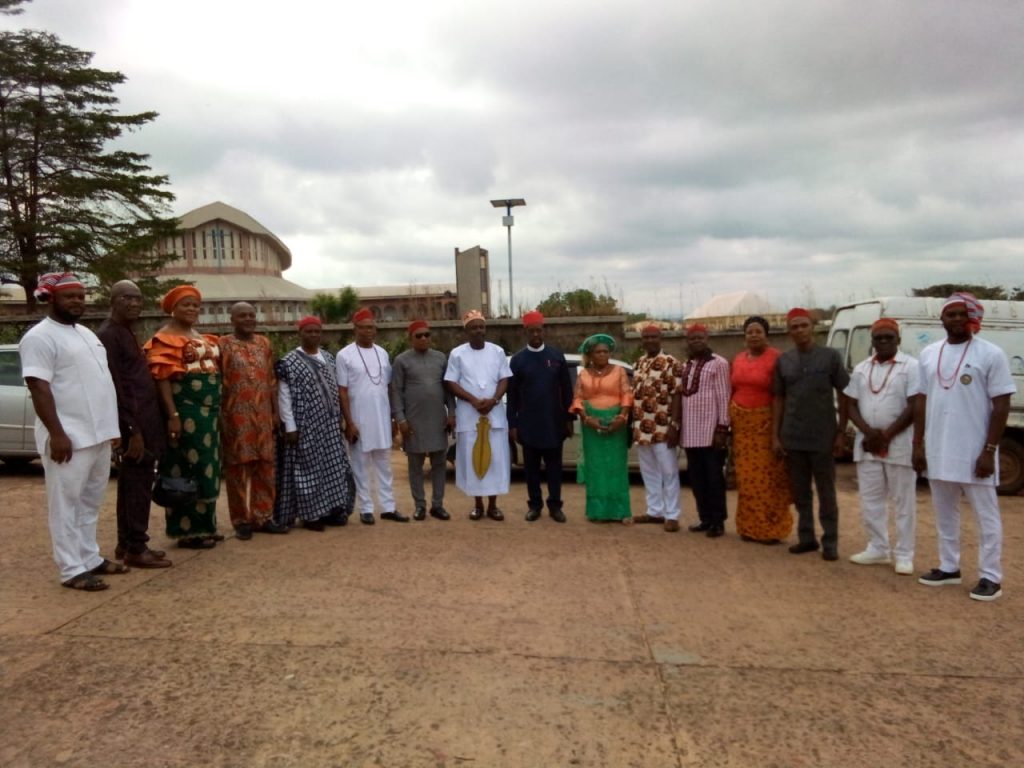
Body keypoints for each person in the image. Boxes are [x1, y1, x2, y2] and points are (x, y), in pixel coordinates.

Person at [21, 272, 125, 590]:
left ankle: (89, 557)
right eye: (69, 296)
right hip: (69, 437)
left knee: (90, 501)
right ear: (51, 298)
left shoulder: (85, 333)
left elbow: (99, 384)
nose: (77, 301)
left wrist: (112, 428)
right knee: (65, 504)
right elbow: (38, 386)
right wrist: (57, 433)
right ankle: (71, 569)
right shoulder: (40, 337)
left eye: (81, 296)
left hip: (99, 434)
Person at [913, 292, 1016, 601]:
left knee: (986, 515)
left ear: (972, 318)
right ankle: (948, 566)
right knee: (944, 512)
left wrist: (989, 451)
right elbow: (920, 400)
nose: (956, 319)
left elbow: (1001, 405)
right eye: (950, 314)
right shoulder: (929, 353)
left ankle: (990, 576)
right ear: (942, 319)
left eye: (961, 314)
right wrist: (917, 444)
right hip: (938, 448)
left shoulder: (991, 353)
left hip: (975, 451)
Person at [96, 280, 171, 568]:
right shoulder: (108, 336)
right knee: (137, 486)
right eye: (127, 298)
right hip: (134, 426)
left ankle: (125, 543)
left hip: (146, 420)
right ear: (112, 301)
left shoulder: (127, 332)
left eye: (138, 299)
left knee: (133, 485)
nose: (135, 303)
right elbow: (115, 386)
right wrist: (132, 431)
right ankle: (137, 548)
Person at [144, 285, 223, 550]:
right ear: (173, 308)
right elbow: (162, 378)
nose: (192, 309)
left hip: (208, 414)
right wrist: (173, 415)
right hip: (186, 411)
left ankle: (206, 526)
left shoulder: (197, 335)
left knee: (207, 466)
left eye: (195, 305)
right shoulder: (165, 337)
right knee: (186, 467)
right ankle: (188, 531)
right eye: (186, 305)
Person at [844, 319, 921, 575]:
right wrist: (868, 432)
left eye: (889, 337)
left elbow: (914, 406)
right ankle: (877, 547)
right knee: (871, 499)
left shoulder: (911, 367)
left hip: (898, 443)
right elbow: (850, 404)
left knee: (903, 501)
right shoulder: (862, 368)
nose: (884, 342)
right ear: (873, 341)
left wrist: (887, 435)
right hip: (867, 443)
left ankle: (904, 554)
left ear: (898, 340)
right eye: (879, 338)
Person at [772, 308, 850, 561]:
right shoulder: (784, 361)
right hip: (793, 437)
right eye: (794, 327)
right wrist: (776, 435)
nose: (799, 331)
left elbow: (845, 394)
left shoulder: (830, 357)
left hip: (823, 437)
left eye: (803, 325)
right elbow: (779, 399)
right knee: (801, 492)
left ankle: (830, 542)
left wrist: (841, 432)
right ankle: (806, 538)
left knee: (826, 492)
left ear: (812, 328)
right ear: (788, 331)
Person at [274, 316, 355, 530]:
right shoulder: (289, 361)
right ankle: (311, 516)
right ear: (300, 334)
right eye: (308, 331)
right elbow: (284, 396)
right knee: (308, 469)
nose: (313, 335)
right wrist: (290, 426)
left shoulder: (328, 357)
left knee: (333, 468)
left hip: (329, 426)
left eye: (317, 331)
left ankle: (331, 510)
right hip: (305, 426)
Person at [219, 302, 288, 539]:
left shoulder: (264, 344)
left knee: (265, 467)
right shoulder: (223, 345)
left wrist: (275, 413)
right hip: (236, 417)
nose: (248, 319)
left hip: (263, 416)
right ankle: (241, 520)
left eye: (251, 315)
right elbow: (219, 381)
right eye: (242, 316)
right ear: (232, 319)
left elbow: (271, 381)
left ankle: (263, 517)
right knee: (238, 469)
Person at [338, 308, 406, 524]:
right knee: (360, 465)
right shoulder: (344, 355)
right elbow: (342, 391)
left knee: (384, 465)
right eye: (363, 327)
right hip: (358, 420)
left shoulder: (382, 353)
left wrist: (392, 418)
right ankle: (366, 508)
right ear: (355, 329)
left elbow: (387, 387)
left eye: (371, 327)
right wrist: (349, 422)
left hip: (381, 418)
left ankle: (388, 507)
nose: (368, 331)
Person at [444, 310, 513, 520]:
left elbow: (505, 379)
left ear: (485, 329)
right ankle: (478, 505)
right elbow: (450, 382)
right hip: (469, 415)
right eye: (473, 327)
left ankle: (493, 505)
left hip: (494, 415)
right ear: (466, 330)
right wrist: (473, 400)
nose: (478, 331)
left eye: (481, 327)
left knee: (495, 461)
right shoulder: (457, 354)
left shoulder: (498, 352)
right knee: (473, 460)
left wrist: (494, 400)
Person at [730, 316, 792, 545]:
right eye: (749, 332)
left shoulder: (776, 358)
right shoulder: (738, 358)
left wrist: (776, 433)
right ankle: (749, 527)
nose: (753, 335)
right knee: (746, 478)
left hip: (765, 425)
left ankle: (769, 529)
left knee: (767, 478)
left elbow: (779, 396)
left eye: (758, 331)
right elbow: (734, 387)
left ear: (767, 334)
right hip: (742, 427)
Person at [508, 310, 574, 523]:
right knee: (531, 470)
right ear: (525, 332)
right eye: (532, 331)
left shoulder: (556, 357)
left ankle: (555, 506)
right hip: (528, 424)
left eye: (539, 330)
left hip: (554, 423)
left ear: (544, 331)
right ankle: (534, 505)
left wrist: (569, 420)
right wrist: (513, 424)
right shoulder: (518, 361)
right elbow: (513, 396)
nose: (536, 334)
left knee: (555, 469)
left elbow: (567, 390)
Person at [390, 319, 454, 521]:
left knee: (439, 463)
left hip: (437, 419)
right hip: (413, 421)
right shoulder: (402, 361)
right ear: (411, 339)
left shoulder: (440, 358)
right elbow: (396, 392)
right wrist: (400, 418)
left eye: (427, 334)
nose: (424, 338)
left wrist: (451, 413)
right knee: (415, 465)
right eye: (419, 335)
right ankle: (419, 506)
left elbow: (448, 389)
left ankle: (438, 505)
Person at [671, 324, 731, 538]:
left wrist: (722, 429)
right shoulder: (687, 365)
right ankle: (705, 518)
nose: (696, 341)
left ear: (707, 339)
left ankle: (718, 521)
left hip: (711, 432)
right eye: (692, 338)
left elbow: (724, 397)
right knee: (697, 479)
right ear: (688, 341)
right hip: (690, 433)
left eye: (700, 337)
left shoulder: (719, 363)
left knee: (714, 479)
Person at [570, 334, 634, 524]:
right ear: (590, 354)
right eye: (598, 352)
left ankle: (619, 510)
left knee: (616, 468)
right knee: (596, 468)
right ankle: (597, 512)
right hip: (592, 427)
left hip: (617, 424)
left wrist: (622, 417)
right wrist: (588, 419)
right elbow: (577, 399)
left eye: (606, 351)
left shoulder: (619, 371)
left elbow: (627, 395)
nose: (603, 355)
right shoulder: (583, 374)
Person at [630, 324, 683, 532]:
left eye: (654, 337)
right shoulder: (639, 364)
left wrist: (675, 425)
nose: (650, 340)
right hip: (642, 427)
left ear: (661, 339)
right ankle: (655, 511)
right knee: (649, 471)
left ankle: (672, 515)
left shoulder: (672, 363)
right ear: (642, 340)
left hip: (663, 427)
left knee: (669, 471)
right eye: (646, 337)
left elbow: (678, 394)